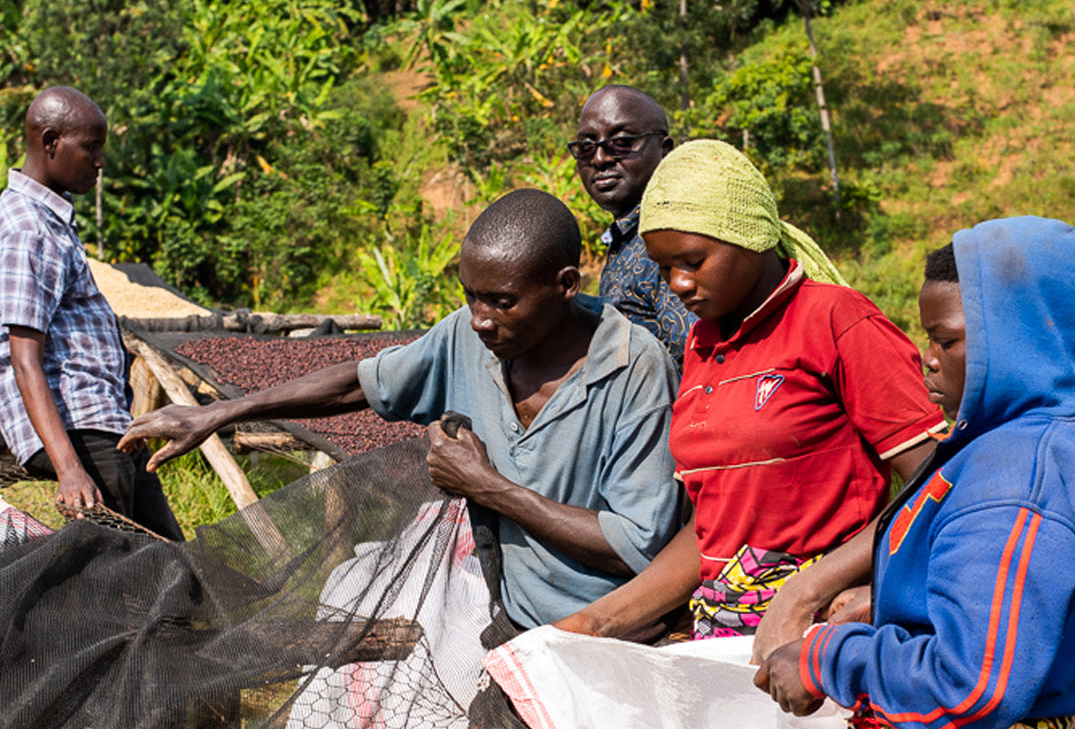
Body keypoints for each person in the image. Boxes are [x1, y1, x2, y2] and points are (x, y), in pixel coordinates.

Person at [758, 217, 1075, 729]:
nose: (928, 358)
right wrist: (891, 601)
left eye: (948, 340)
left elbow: (973, 681)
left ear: (1016, 340)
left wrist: (828, 656)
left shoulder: (1015, 477)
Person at [120, 188, 681, 629]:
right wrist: (220, 413)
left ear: (565, 285)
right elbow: (358, 384)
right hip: (501, 605)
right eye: (470, 295)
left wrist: (488, 488)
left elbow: (636, 546)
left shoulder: (633, 368)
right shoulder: (468, 337)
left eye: (502, 302)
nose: (480, 319)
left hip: (601, 628)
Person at [554, 140, 945, 642]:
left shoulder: (835, 320)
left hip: (820, 631)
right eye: (664, 267)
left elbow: (935, 480)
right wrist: (593, 623)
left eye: (692, 261)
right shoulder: (702, 345)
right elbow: (714, 530)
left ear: (750, 236)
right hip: (725, 628)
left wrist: (807, 592)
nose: (678, 283)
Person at [0, 86, 184, 540]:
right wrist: (70, 469)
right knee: (122, 568)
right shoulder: (27, 231)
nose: (100, 162)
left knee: (169, 558)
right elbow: (24, 359)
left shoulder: (50, 221)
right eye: (91, 147)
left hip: (101, 422)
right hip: (77, 429)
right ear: (51, 142)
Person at [570, 85, 695, 363]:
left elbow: (698, 357)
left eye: (622, 142)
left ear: (664, 150)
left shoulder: (672, 239)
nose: (599, 159)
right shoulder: (627, 236)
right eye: (586, 147)